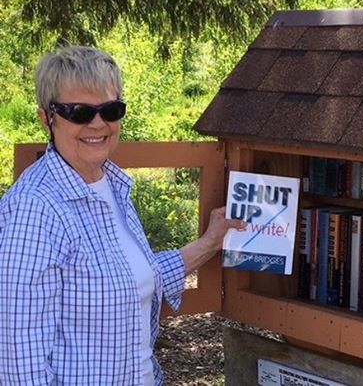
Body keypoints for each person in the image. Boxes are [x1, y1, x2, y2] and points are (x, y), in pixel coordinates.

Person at [0, 45, 244, 385]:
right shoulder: (35, 208)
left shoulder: (110, 184)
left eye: (111, 110)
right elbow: (18, 361)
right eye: (79, 112)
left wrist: (209, 243)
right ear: (47, 118)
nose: (98, 123)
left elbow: (133, 278)